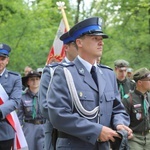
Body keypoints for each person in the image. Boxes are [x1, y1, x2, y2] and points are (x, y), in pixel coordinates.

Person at [47, 17, 133, 150]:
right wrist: (96, 131)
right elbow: (58, 115)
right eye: (95, 38)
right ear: (79, 42)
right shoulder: (64, 73)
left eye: (101, 39)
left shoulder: (108, 74)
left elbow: (117, 109)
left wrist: (119, 124)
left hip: (104, 146)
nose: (101, 43)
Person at [38, 31, 78, 150]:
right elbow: (45, 107)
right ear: (66, 47)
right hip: (59, 136)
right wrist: (80, 122)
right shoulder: (52, 71)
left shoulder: (90, 72)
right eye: (76, 45)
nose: (81, 48)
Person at [0, 43, 22, 150]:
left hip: (4, 130)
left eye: (2, 58)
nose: (0, 61)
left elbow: (15, 100)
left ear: (7, 60)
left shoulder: (15, 78)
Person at [122, 68, 150, 150]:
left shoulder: (149, 97)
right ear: (140, 82)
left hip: (148, 137)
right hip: (134, 138)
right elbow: (122, 121)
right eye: (149, 79)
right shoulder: (128, 99)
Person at [17, 70, 45, 150]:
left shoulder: (46, 96)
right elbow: (19, 117)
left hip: (43, 126)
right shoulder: (22, 97)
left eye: (37, 79)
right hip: (29, 127)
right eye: (32, 79)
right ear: (27, 82)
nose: (35, 81)